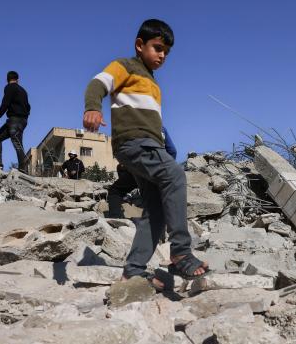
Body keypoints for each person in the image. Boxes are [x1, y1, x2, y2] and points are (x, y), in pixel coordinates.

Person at [83, 19, 208, 288]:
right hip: (133, 142)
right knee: (175, 176)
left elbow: (155, 121)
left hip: (151, 144)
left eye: (166, 52)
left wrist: (165, 145)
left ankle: (133, 271)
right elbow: (97, 83)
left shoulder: (153, 83)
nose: (162, 56)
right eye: (157, 48)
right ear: (140, 45)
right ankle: (181, 252)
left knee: (155, 211)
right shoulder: (126, 66)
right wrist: (93, 108)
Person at [107, 126, 177, 218]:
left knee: (115, 191)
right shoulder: (161, 128)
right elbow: (172, 151)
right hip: (158, 168)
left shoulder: (135, 124)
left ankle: (117, 220)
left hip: (139, 167)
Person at [0, 71, 30, 171]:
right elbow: (28, 107)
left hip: (15, 120)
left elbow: (5, 104)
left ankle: (23, 169)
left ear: (7, 79)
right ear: (18, 79)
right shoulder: (23, 90)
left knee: (17, 142)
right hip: (21, 120)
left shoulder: (9, 87)